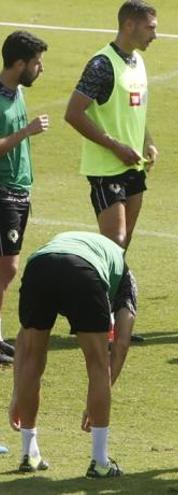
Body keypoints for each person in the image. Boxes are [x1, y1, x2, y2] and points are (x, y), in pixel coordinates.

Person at [8, 231, 138, 478]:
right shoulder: (125, 277)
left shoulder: (74, 247)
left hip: (39, 266)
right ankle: (100, 462)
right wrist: (97, 401)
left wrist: (18, 392)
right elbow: (120, 345)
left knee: (33, 356)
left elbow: (24, 343)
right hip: (83, 273)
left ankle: (29, 453)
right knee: (97, 363)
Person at [64, 0, 158, 250]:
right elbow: (73, 113)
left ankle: (114, 278)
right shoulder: (102, 65)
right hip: (106, 168)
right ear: (129, 25)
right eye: (150, 28)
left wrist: (147, 141)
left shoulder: (138, 61)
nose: (155, 35)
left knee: (124, 242)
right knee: (114, 241)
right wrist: (115, 146)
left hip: (134, 164)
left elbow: (134, 109)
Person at [0, 31, 48, 361]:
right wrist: (26, 131)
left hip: (19, 190)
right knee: (7, 268)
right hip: (4, 191)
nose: (40, 68)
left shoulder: (16, 91)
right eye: (37, 62)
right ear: (20, 64)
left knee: (6, 269)